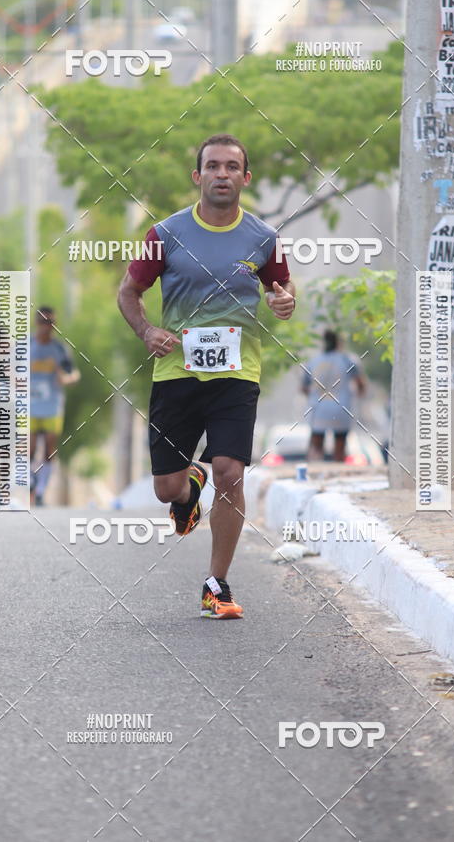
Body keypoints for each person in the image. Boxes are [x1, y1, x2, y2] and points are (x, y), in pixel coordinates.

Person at [118, 133, 295, 619]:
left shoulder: (263, 238)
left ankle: (217, 585)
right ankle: (189, 482)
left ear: (245, 178)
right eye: (213, 166)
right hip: (176, 370)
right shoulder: (167, 235)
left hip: (238, 371)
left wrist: (284, 301)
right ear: (198, 177)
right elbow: (129, 293)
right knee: (167, 490)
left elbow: (281, 288)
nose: (222, 174)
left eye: (232, 167)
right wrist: (147, 331)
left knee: (231, 472)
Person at [30, 307, 80, 506]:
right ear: (36, 323)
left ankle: (41, 490)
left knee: (50, 448)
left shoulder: (60, 349)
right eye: (44, 322)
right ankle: (31, 481)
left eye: (51, 323)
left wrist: (66, 380)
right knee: (30, 447)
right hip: (30, 404)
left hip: (52, 405)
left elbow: (74, 374)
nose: (47, 327)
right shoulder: (25, 345)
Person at [300, 329, 367, 463]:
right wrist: (358, 396)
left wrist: (313, 397)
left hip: (318, 408)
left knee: (316, 447)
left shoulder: (313, 361)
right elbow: (360, 384)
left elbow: (303, 388)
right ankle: (338, 470)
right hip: (341, 407)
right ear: (338, 343)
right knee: (340, 447)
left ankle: (315, 471)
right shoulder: (348, 360)